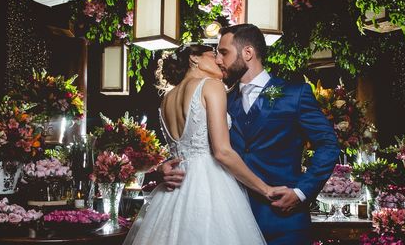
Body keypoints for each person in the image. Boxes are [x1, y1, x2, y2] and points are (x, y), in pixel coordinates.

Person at [162, 24, 340, 245]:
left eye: (224, 53)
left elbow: (328, 145)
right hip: (229, 223)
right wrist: (169, 165)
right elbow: (197, 142)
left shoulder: (295, 93)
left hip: (284, 222)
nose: (218, 60)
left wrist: (302, 192)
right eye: (216, 54)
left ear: (248, 53)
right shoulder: (219, 98)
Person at [123, 43, 287, 245]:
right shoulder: (211, 85)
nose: (219, 60)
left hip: (175, 188)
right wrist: (266, 189)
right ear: (195, 59)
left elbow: (181, 148)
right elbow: (222, 152)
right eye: (213, 55)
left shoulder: (167, 98)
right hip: (210, 184)